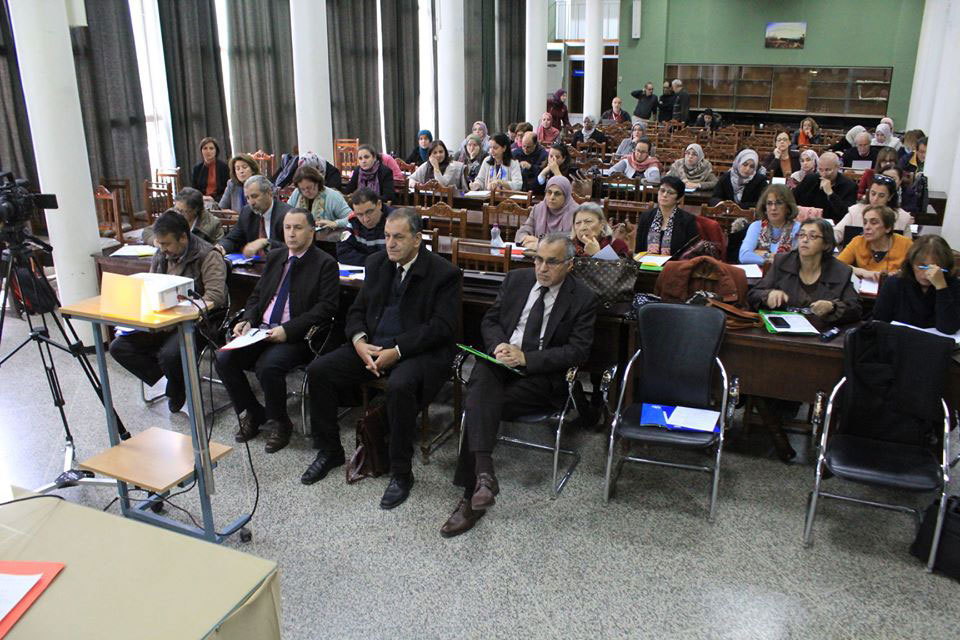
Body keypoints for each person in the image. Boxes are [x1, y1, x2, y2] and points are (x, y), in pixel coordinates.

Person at [439, 234, 597, 537]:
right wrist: (499, 346)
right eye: (538, 258)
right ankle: (483, 477)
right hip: (502, 365)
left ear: (569, 265)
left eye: (551, 262)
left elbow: (578, 351)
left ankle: (472, 494)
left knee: (478, 404)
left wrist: (526, 358)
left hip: (542, 378)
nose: (542, 268)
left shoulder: (583, 298)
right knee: (484, 373)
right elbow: (490, 321)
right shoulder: (516, 280)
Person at [303, 209, 461, 510]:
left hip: (416, 350)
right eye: (387, 236)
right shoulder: (377, 264)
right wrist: (359, 341)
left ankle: (401, 471)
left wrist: (397, 351)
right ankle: (330, 450)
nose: (389, 243)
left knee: (400, 387)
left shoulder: (444, 273)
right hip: (372, 344)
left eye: (398, 237)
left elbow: (441, 327)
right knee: (319, 370)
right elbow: (357, 310)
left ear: (417, 239)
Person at [215, 208, 338, 452]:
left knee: (268, 366)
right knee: (223, 358)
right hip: (261, 330)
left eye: (298, 228)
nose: (291, 233)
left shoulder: (325, 264)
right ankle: (254, 412)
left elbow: (326, 308)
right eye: (287, 228)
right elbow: (258, 295)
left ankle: (281, 421)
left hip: (297, 336)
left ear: (312, 232)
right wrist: (248, 319)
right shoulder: (277, 257)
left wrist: (288, 329)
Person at [747, 217, 862, 461]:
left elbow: (855, 309)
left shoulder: (841, 271)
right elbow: (753, 294)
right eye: (802, 235)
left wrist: (832, 306)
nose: (805, 240)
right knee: (751, 369)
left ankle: (808, 425)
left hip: (818, 342)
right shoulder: (782, 261)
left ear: (826, 243)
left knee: (826, 375)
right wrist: (769, 295)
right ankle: (776, 430)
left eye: (813, 236)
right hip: (779, 338)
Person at [109, 210, 227, 413]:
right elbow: (152, 284)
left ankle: (175, 381)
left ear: (183, 237)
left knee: (171, 355)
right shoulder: (162, 254)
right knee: (119, 347)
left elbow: (215, 297)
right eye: (159, 244)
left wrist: (182, 314)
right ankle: (174, 380)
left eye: (166, 244)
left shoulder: (208, 255)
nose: (162, 250)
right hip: (163, 320)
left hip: (199, 322)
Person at [873, 235, 960, 334]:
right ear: (911, 263)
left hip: (936, 344)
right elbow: (879, 321)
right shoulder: (895, 283)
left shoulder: (953, 285)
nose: (926, 273)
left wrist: (941, 287)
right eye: (921, 266)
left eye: (934, 268)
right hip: (899, 342)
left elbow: (948, 328)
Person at [216, 175, 291, 257]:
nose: (251, 202)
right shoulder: (246, 212)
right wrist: (220, 247)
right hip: (253, 266)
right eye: (247, 198)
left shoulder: (286, 214)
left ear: (269, 193)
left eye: (254, 196)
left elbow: (293, 247)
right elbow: (233, 239)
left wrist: (266, 243)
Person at [837, 204, 912, 281]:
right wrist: (862, 272)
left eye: (874, 223)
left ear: (888, 228)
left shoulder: (906, 244)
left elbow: (920, 268)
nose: (867, 227)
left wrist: (903, 273)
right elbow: (836, 265)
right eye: (865, 222)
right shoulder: (858, 241)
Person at [834, 173, 913, 243]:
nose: (875, 199)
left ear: (890, 197)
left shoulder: (903, 217)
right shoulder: (855, 211)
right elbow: (837, 234)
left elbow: (908, 247)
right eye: (873, 193)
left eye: (881, 195)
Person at [636, 176, 699, 255]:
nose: (665, 195)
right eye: (662, 191)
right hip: (646, 264)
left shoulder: (688, 220)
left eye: (671, 193)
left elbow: (691, 253)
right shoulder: (646, 217)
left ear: (678, 199)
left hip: (675, 265)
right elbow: (638, 249)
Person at [739, 184, 800, 265]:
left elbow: (797, 260)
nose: (773, 208)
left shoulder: (798, 228)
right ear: (765, 208)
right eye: (769, 203)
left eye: (779, 203)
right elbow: (744, 256)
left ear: (788, 208)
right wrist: (772, 258)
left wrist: (759, 253)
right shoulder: (756, 226)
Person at [142, 187, 224, 246]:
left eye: (182, 211)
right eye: (176, 208)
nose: (177, 213)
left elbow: (218, 247)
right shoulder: (171, 213)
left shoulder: (212, 223)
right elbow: (147, 231)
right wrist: (154, 241)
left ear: (195, 210)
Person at [515, 176, 578, 249]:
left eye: (557, 194)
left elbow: (572, 239)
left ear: (566, 196)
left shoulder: (577, 213)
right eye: (549, 192)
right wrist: (526, 239)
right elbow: (522, 232)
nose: (552, 197)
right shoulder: (538, 209)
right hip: (537, 257)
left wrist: (541, 243)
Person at [793, 151, 857, 222]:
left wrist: (830, 193)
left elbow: (846, 214)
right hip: (807, 222)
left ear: (838, 167)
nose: (824, 174)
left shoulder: (850, 186)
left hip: (833, 224)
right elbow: (793, 198)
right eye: (820, 170)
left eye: (828, 170)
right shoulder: (810, 179)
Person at [287, 165, 352, 231]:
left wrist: (335, 223)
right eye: (303, 189)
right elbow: (286, 214)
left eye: (309, 187)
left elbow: (353, 218)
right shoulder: (297, 193)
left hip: (325, 239)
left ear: (317, 182)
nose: (307, 192)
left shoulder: (332, 196)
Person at [337, 188, 389, 266]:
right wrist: (371, 263)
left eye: (369, 212)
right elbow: (342, 253)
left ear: (379, 204)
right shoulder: (353, 222)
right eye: (360, 214)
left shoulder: (394, 222)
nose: (365, 219)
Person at [190, 137, 229, 202]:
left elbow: (227, 190)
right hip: (201, 201)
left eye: (211, 148)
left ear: (216, 151)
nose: (208, 151)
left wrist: (213, 199)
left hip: (220, 201)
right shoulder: (197, 168)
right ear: (201, 151)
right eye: (205, 148)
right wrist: (202, 198)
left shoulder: (224, 167)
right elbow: (194, 189)